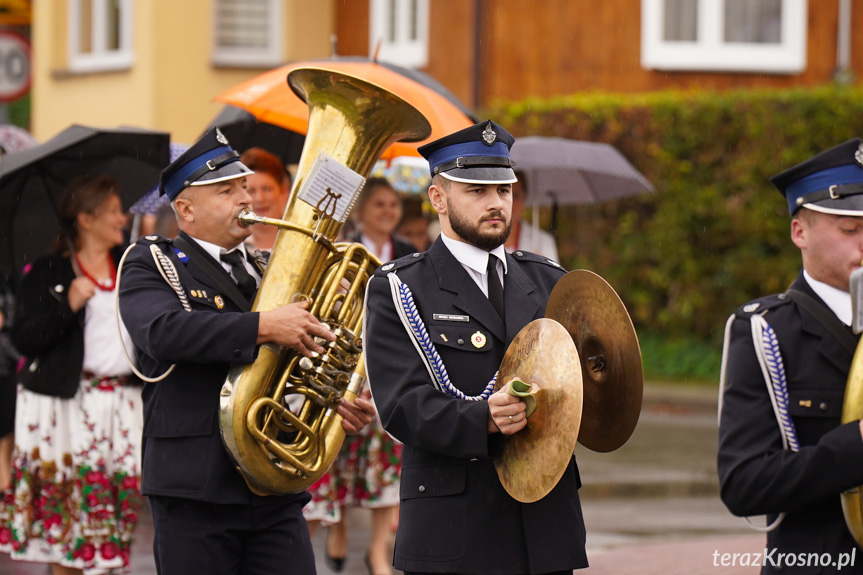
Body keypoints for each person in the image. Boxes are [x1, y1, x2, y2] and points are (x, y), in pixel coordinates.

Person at [117, 127, 376, 575]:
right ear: (185, 209)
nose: (245, 198)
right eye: (226, 190)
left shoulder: (267, 268)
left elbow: (299, 359)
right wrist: (264, 326)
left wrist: (335, 399)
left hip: (272, 486)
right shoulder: (151, 261)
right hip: (194, 485)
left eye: (243, 186)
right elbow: (161, 333)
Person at [363, 120, 587, 575]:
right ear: (438, 199)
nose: (495, 204)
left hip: (545, 528)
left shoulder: (550, 280)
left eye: (503, 191)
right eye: (476, 191)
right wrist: (482, 419)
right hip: (456, 529)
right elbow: (402, 407)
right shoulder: (400, 287)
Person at [717, 139, 863, 574]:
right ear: (800, 232)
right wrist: (854, 446)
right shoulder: (765, 331)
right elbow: (743, 484)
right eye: (850, 230)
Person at [0, 175, 143, 575]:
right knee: (69, 530)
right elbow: (25, 339)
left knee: (113, 522)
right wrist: (67, 304)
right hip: (63, 407)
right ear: (85, 218)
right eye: (113, 210)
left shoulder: (131, 268)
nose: (122, 217)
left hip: (121, 407)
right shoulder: (49, 271)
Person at [304, 177, 411, 575]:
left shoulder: (409, 253)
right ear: (362, 210)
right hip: (345, 362)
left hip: (386, 365)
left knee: (385, 461)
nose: (388, 211)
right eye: (379, 204)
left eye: (393, 204)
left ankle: (379, 552)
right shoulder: (345, 251)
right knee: (337, 456)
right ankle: (338, 531)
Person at [240, 147, 292, 251]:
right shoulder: (234, 248)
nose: (260, 198)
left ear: (283, 191)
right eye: (251, 191)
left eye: (267, 189)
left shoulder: (302, 238)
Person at [503, 172, 559, 261]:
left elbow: (555, 275)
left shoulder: (543, 242)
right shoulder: (482, 239)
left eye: (515, 195)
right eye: (504, 192)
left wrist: (542, 270)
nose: (511, 202)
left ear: (524, 197)